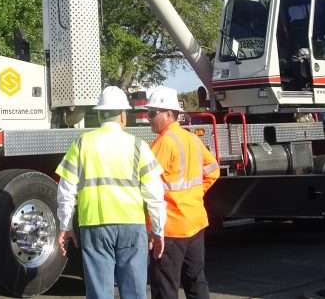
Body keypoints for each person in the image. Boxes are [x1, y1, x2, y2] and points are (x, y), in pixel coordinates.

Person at [55, 86, 167, 299]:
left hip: (94, 225)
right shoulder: (139, 146)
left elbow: (66, 190)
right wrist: (159, 230)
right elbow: (155, 194)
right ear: (123, 115)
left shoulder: (82, 144)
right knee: (134, 291)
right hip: (132, 225)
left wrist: (65, 226)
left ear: (98, 115)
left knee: (99, 292)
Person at [145, 86, 220, 299]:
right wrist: (194, 196)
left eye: (152, 113)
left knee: (165, 287)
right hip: (195, 223)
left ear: (169, 114)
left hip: (171, 229)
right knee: (196, 282)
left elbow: (148, 187)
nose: (149, 118)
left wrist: (149, 226)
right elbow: (213, 171)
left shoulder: (163, 143)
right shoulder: (192, 139)